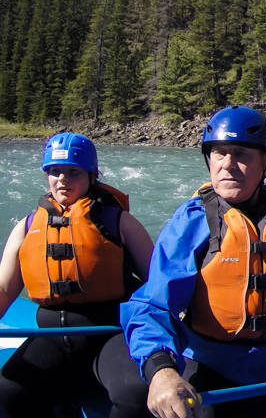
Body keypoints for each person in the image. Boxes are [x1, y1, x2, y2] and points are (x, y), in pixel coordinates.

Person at [121, 105, 266, 418]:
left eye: (241, 154)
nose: (227, 165)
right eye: (219, 153)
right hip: (209, 364)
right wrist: (161, 369)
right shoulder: (191, 222)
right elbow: (152, 305)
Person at [0, 132, 155, 417]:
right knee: (7, 391)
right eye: (55, 171)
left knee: (136, 393)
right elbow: (4, 289)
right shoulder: (26, 226)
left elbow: (157, 283)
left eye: (73, 171)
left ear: (91, 175)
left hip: (106, 336)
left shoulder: (120, 222)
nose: (62, 179)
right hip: (52, 339)